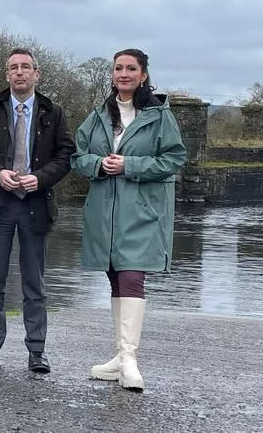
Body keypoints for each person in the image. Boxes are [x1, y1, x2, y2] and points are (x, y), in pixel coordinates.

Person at [71, 48, 186, 392]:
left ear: (143, 75)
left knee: (133, 277)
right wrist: (97, 164)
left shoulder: (160, 116)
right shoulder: (98, 115)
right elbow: (77, 155)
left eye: (131, 69)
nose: (123, 74)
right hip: (104, 212)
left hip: (143, 212)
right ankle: (120, 357)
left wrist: (129, 165)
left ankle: (131, 360)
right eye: (118, 68)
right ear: (112, 75)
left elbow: (174, 159)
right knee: (116, 278)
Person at [0, 48, 74, 372]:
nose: (19, 72)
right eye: (13, 68)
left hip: (35, 206)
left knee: (34, 283)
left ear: (36, 74)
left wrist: (40, 179)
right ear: (7, 76)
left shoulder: (53, 112)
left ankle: (37, 352)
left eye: (25, 67)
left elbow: (66, 155)